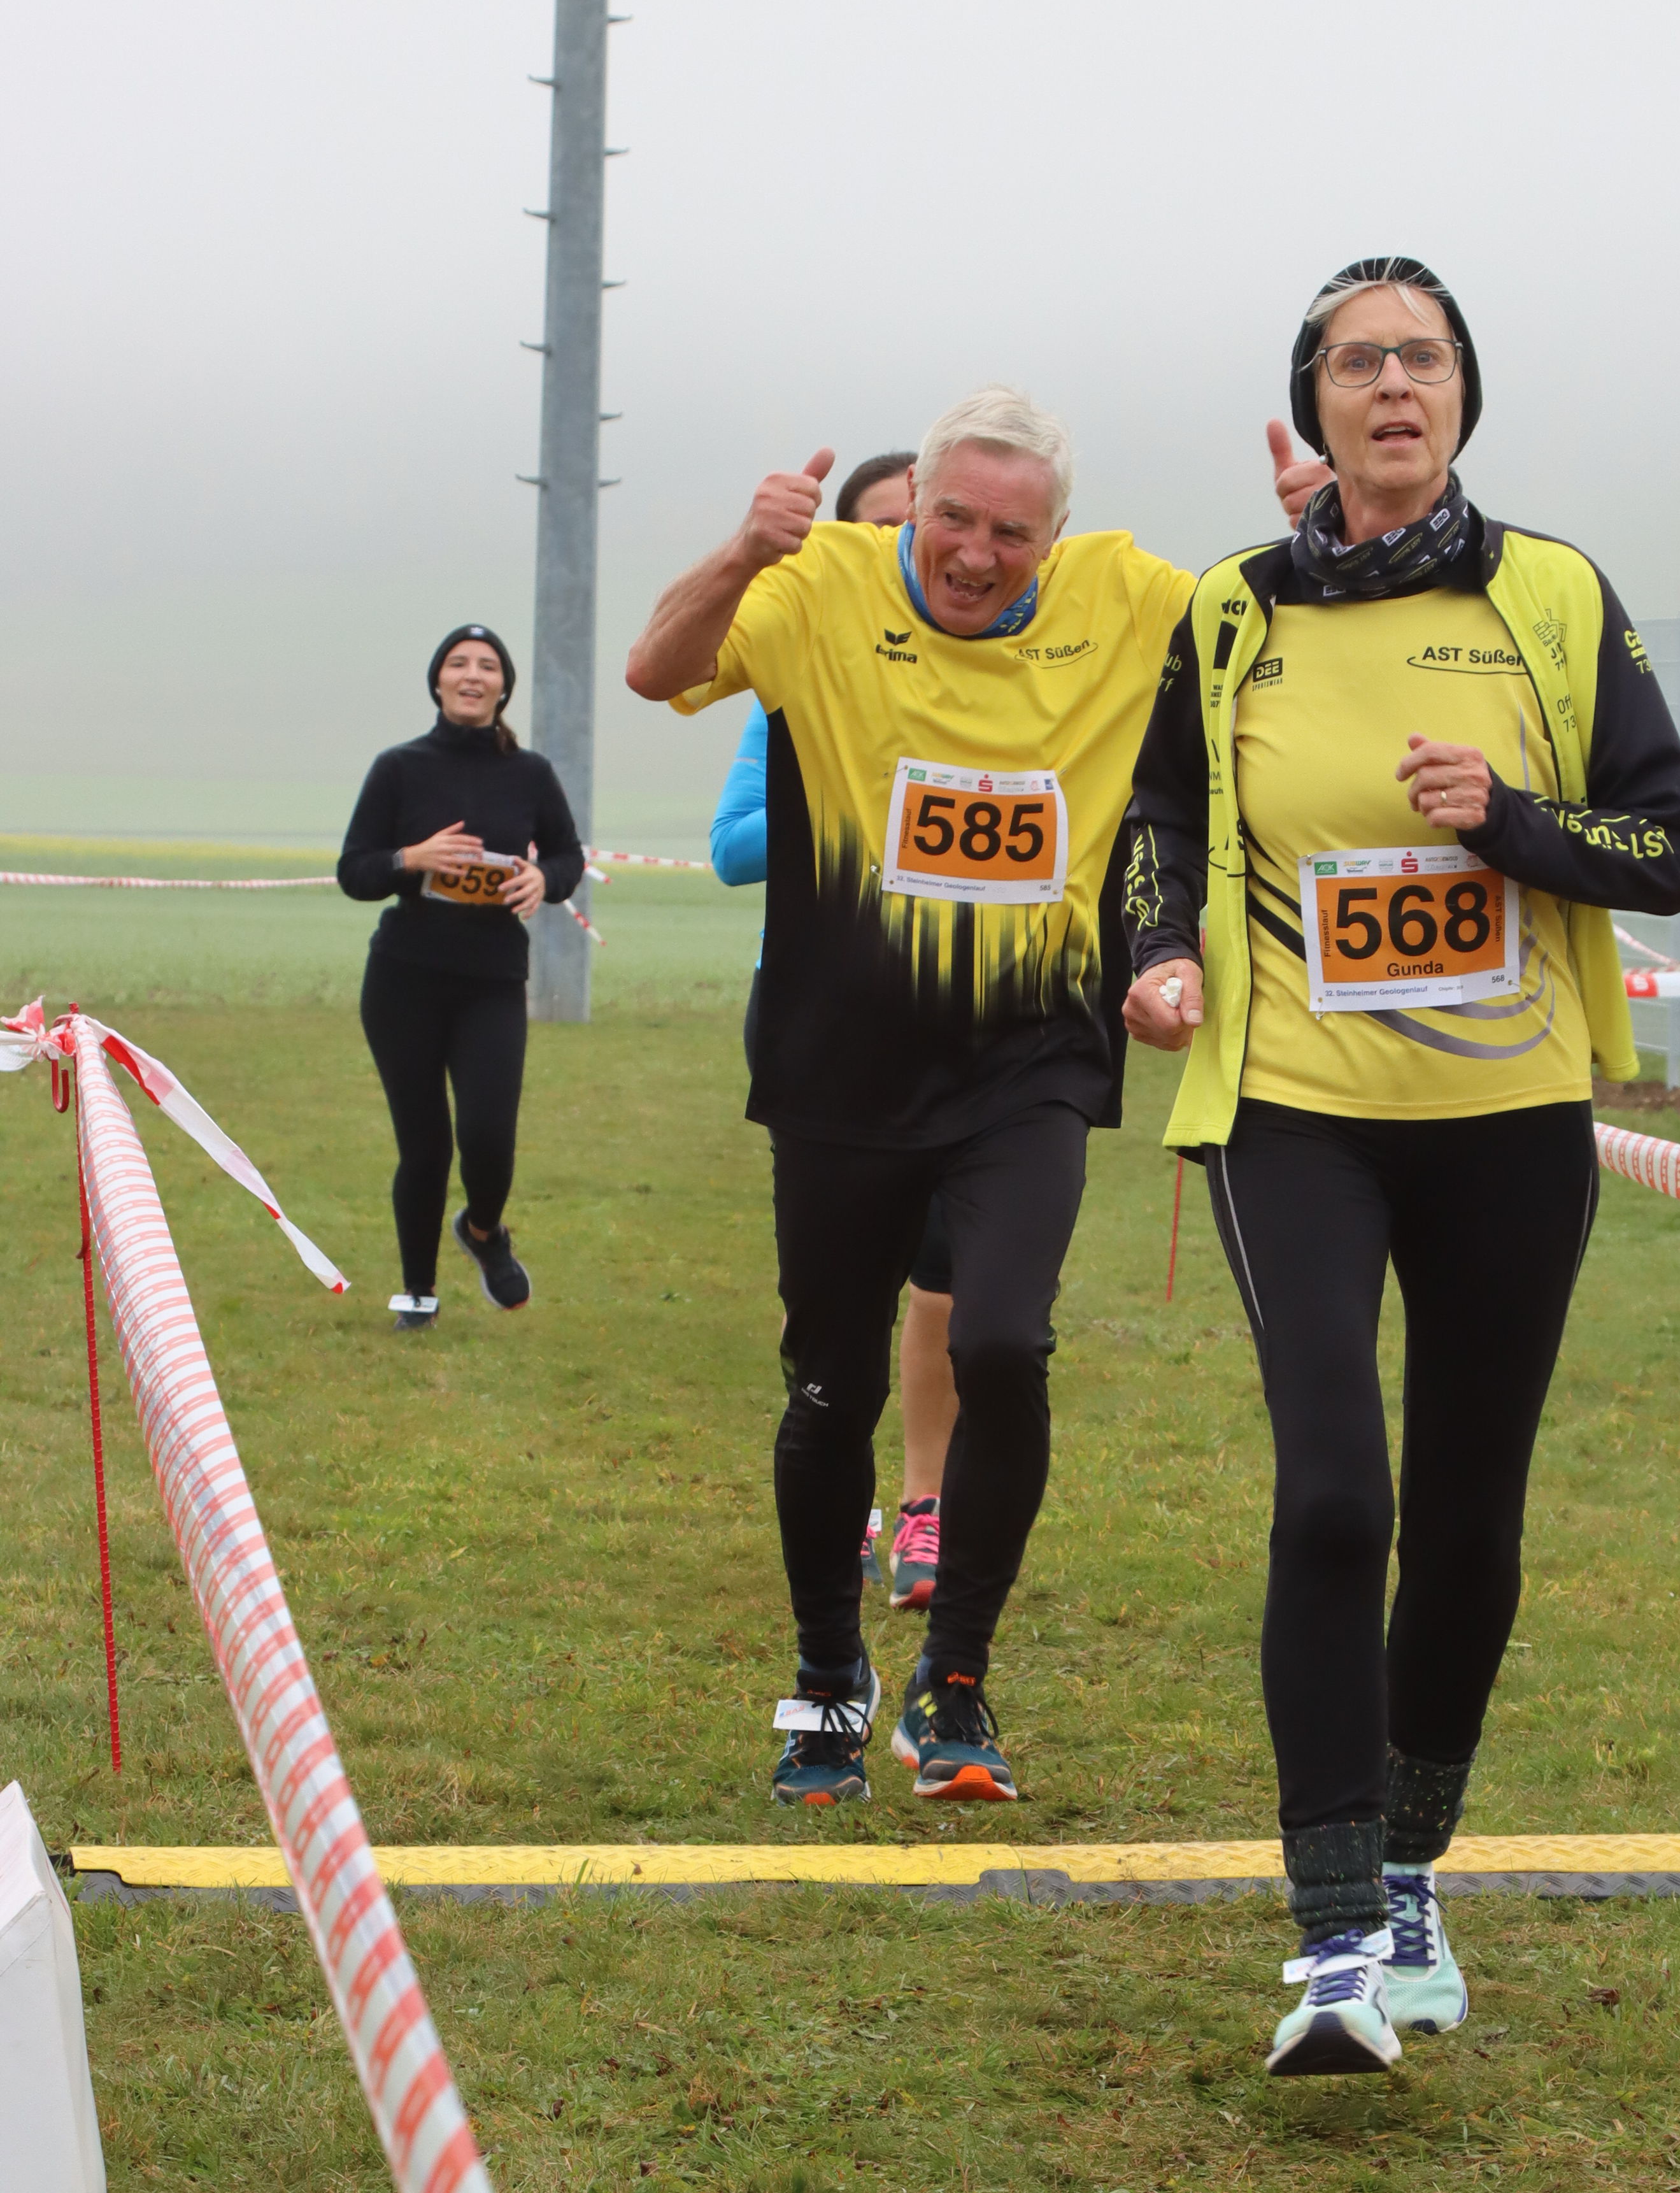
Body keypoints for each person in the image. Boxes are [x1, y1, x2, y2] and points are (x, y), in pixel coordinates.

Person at [1122, 256, 1680, 2076]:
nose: (1393, 384)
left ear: (1463, 395)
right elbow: (1161, 814)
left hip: (1508, 1121)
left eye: (1424, 358)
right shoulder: (1233, 606)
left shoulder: (1549, 592)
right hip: (1293, 1106)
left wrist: (1512, 823)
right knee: (1333, 1496)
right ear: (1314, 400)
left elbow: (1672, 847)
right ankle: (1329, 1941)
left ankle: (1406, 1867)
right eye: (1358, 360)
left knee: (1466, 1521)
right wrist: (1156, 949)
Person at [627, 391, 1327, 1811]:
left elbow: (1281, 659)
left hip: (1028, 1062)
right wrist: (744, 551)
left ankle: (955, 1677)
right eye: (953, 518)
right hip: (842, 1067)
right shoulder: (819, 584)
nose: (974, 553)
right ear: (918, 504)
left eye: (1012, 533)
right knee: (831, 1384)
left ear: (1055, 537)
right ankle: (829, 1677)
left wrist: (1328, 545)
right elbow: (656, 669)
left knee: (1003, 1343)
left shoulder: (1126, 599)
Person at [709, 448, 956, 1615]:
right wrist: (869, 802)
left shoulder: (999, 677)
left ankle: (924, 1506)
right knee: (837, 1292)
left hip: (961, 1015)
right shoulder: (794, 679)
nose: (908, 545)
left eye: (922, 522)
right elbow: (731, 850)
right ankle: (843, 1491)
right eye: (878, 527)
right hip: (819, 1016)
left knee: (952, 1284)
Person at [338, 625, 586, 1332]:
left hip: (492, 980)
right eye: (458, 664)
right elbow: (354, 870)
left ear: (504, 688)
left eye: (487, 666)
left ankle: (483, 1230)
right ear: (438, 682)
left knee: (487, 1136)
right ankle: (418, 1293)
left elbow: (567, 856)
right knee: (425, 1146)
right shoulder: (398, 768)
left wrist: (544, 879)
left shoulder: (530, 773)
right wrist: (410, 859)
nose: (472, 675)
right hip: (403, 981)